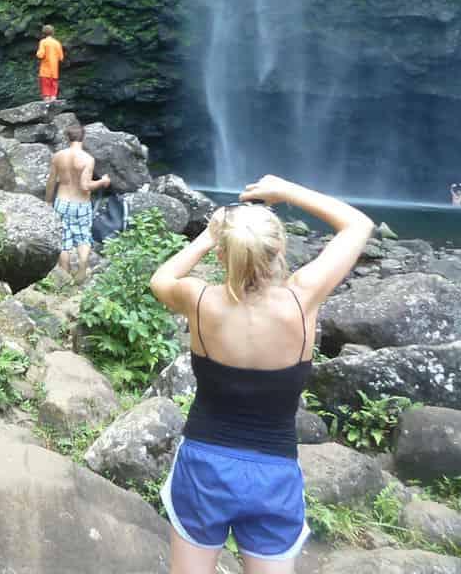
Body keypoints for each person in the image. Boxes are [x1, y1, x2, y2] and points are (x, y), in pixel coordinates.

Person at [149, 175, 374, 574]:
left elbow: (160, 281)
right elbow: (358, 224)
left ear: (224, 254)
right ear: (280, 248)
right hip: (274, 473)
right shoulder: (303, 297)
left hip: (204, 465)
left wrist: (206, 236)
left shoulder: (200, 299)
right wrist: (286, 190)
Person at [44, 123, 110, 283]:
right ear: (83, 138)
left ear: (67, 137)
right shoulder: (87, 159)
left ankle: (64, 274)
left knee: (63, 239)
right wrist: (102, 181)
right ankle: (81, 271)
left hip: (62, 202)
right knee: (83, 238)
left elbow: (51, 181)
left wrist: (47, 202)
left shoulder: (58, 156)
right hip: (81, 205)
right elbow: (85, 185)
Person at [35, 24, 65, 102]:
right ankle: (53, 104)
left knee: (46, 93)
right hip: (54, 72)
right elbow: (61, 58)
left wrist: (37, 53)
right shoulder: (57, 43)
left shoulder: (43, 42)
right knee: (53, 93)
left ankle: (47, 105)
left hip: (45, 71)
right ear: (53, 32)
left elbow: (40, 55)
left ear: (43, 33)